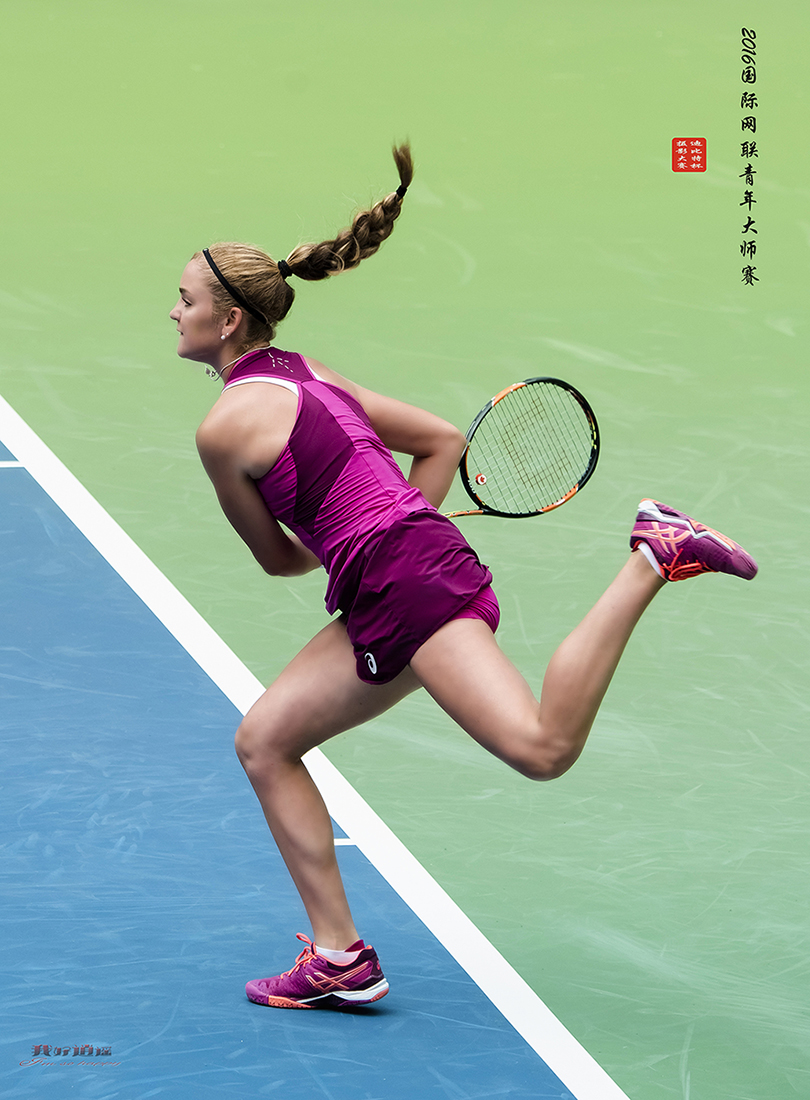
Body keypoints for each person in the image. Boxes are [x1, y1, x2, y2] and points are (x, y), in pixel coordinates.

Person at [169, 145, 758, 1010]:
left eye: (185, 300)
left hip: (402, 581)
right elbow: (441, 441)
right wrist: (393, 524)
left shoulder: (223, 430)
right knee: (265, 742)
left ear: (227, 323)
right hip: (397, 575)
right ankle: (339, 957)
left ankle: (653, 556)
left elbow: (277, 557)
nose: (173, 311)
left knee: (542, 749)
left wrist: (368, 538)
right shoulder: (310, 372)